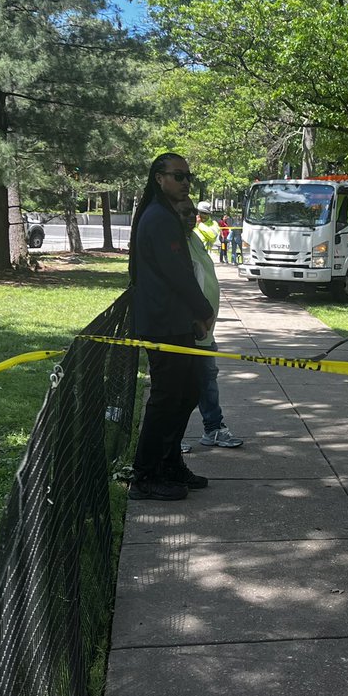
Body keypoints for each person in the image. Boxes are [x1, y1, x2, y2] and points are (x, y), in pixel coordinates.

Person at [128, 153, 216, 501]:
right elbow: (176, 273)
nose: (185, 182)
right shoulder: (158, 218)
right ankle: (145, 475)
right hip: (163, 325)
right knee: (166, 399)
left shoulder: (165, 216)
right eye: (178, 176)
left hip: (176, 322)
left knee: (190, 390)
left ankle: (169, 462)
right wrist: (203, 309)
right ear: (159, 178)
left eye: (188, 177)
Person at [180, 200, 244, 451]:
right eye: (184, 214)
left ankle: (213, 428)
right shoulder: (175, 245)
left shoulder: (193, 238)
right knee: (182, 385)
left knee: (206, 379)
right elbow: (181, 287)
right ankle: (171, 437)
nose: (191, 218)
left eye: (193, 214)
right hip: (189, 331)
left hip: (204, 332)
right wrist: (196, 318)